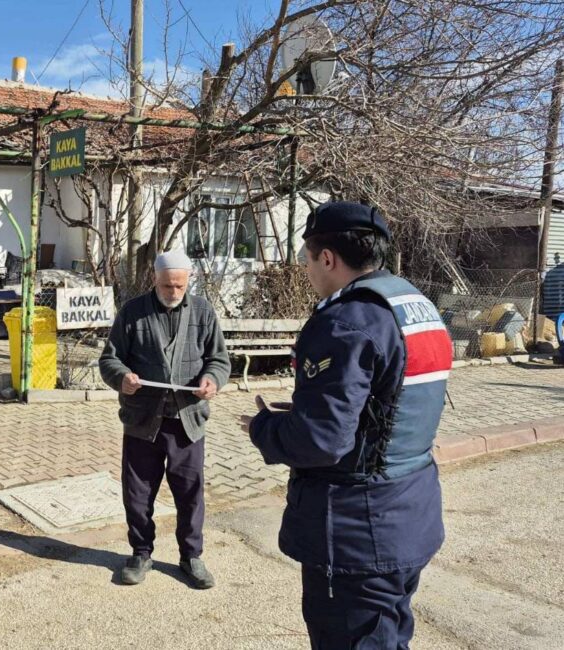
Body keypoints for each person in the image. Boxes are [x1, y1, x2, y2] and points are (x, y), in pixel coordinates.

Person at [244, 201, 452, 649]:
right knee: (389, 635)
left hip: (359, 531)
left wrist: (262, 429)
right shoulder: (414, 304)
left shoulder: (344, 322)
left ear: (327, 258)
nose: (306, 272)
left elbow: (321, 442)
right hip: (409, 509)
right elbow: (388, 400)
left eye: (306, 260)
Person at [98, 249, 231, 588]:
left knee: (190, 492)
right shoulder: (132, 313)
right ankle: (141, 553)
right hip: (143, 419)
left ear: (188, 282)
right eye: (167, 286)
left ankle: (191, 556)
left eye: (179, 287)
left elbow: (218, 359)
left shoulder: (202, 311)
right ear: (154, 280)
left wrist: (211, 381)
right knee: (138, 492)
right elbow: (109, 360)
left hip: (188, 419)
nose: (173, 293)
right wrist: (123, 378)